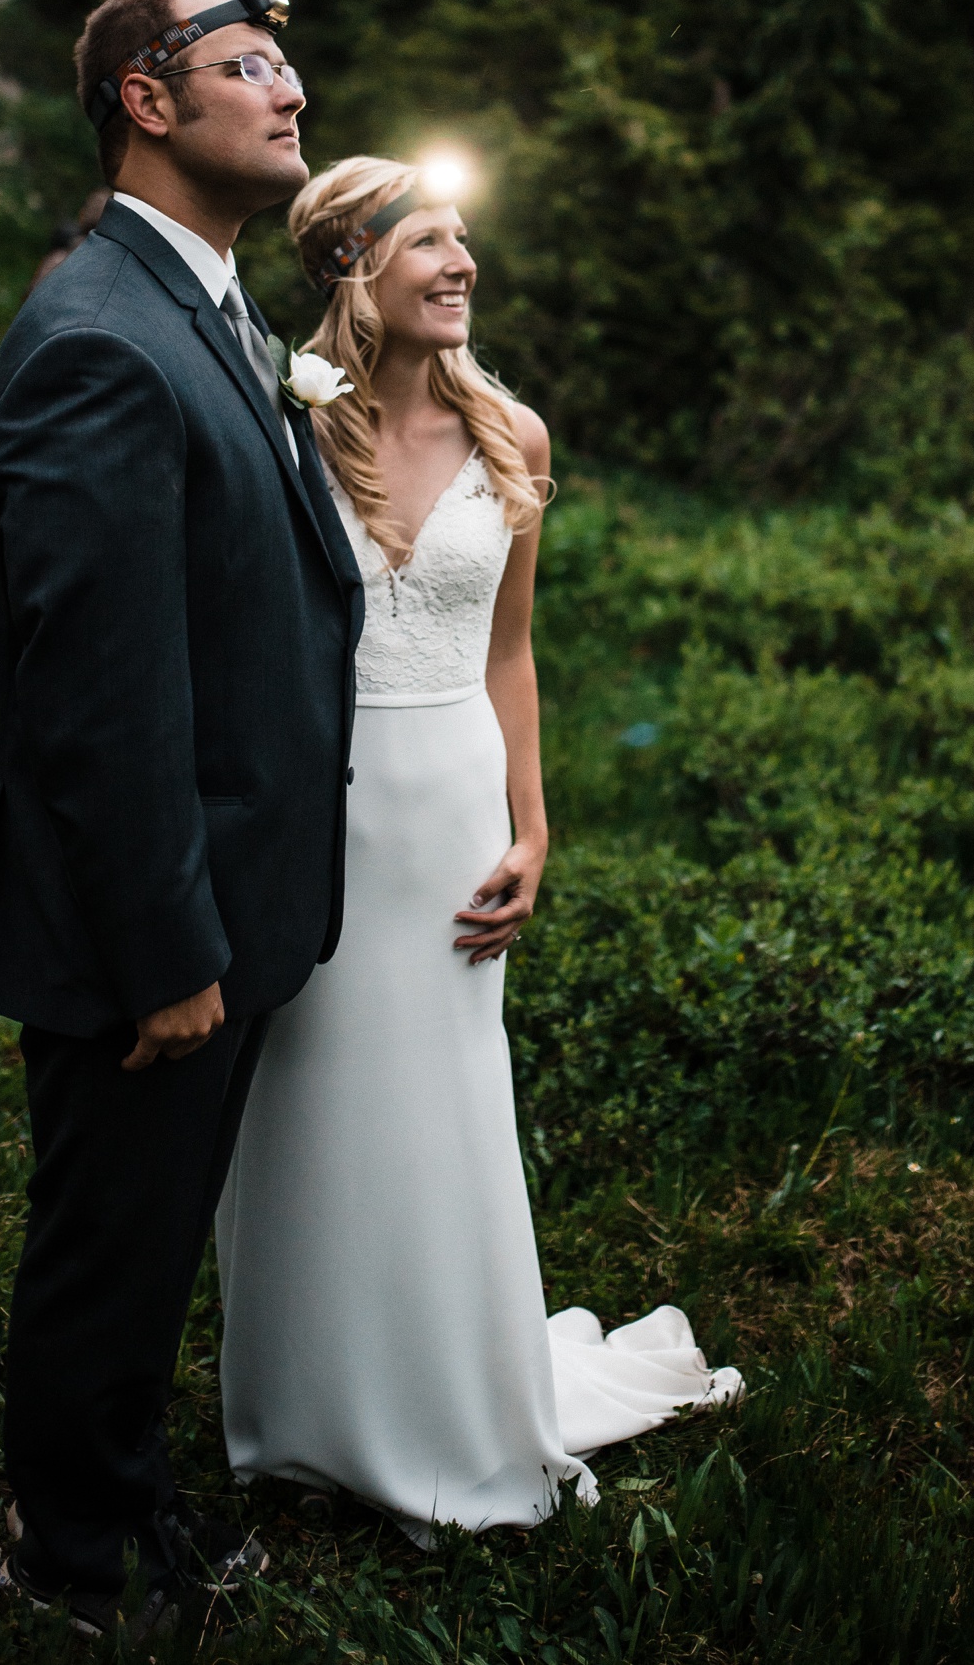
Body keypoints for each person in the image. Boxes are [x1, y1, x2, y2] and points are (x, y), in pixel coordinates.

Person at [216, 155, 740, 1548]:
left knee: (445, 1105)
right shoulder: (286, 425)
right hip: (321, 807)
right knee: (305, 1101)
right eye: (431, 244)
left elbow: (511, 653)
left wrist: (537, 822)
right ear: (354, 269)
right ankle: (303, 1417)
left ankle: (451, 1408)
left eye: (466, 245)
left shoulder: (517, 429)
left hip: (450, 803)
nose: (462, 267)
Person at [0, 0, 363, 1640]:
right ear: (147, 96)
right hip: (149, 924)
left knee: (148, 1235)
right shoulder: (96, 341)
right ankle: (78, 1563)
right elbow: (98, 700)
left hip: (220, 890)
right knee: (110, 1247)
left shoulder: (203, 301)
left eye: (292, 66)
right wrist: (167, 950)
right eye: (251, 65)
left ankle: (123, 1495)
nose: (292, 92)